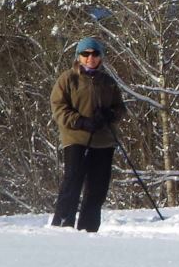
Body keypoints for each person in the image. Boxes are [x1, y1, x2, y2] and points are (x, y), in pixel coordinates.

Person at [49, 37, 127, 232]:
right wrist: (80, 121)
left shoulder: (108, 82)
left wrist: (109, 115)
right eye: (86, 54)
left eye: (95, 54)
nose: (90, 58)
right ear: (78, 57)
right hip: (77, 138)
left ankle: (88, 229)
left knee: (97, 188)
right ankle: (62, 226)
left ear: (101, 57)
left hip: (103, 141)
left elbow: (120, 108)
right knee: (72, 182)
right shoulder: (68, 79)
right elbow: (58, 107)